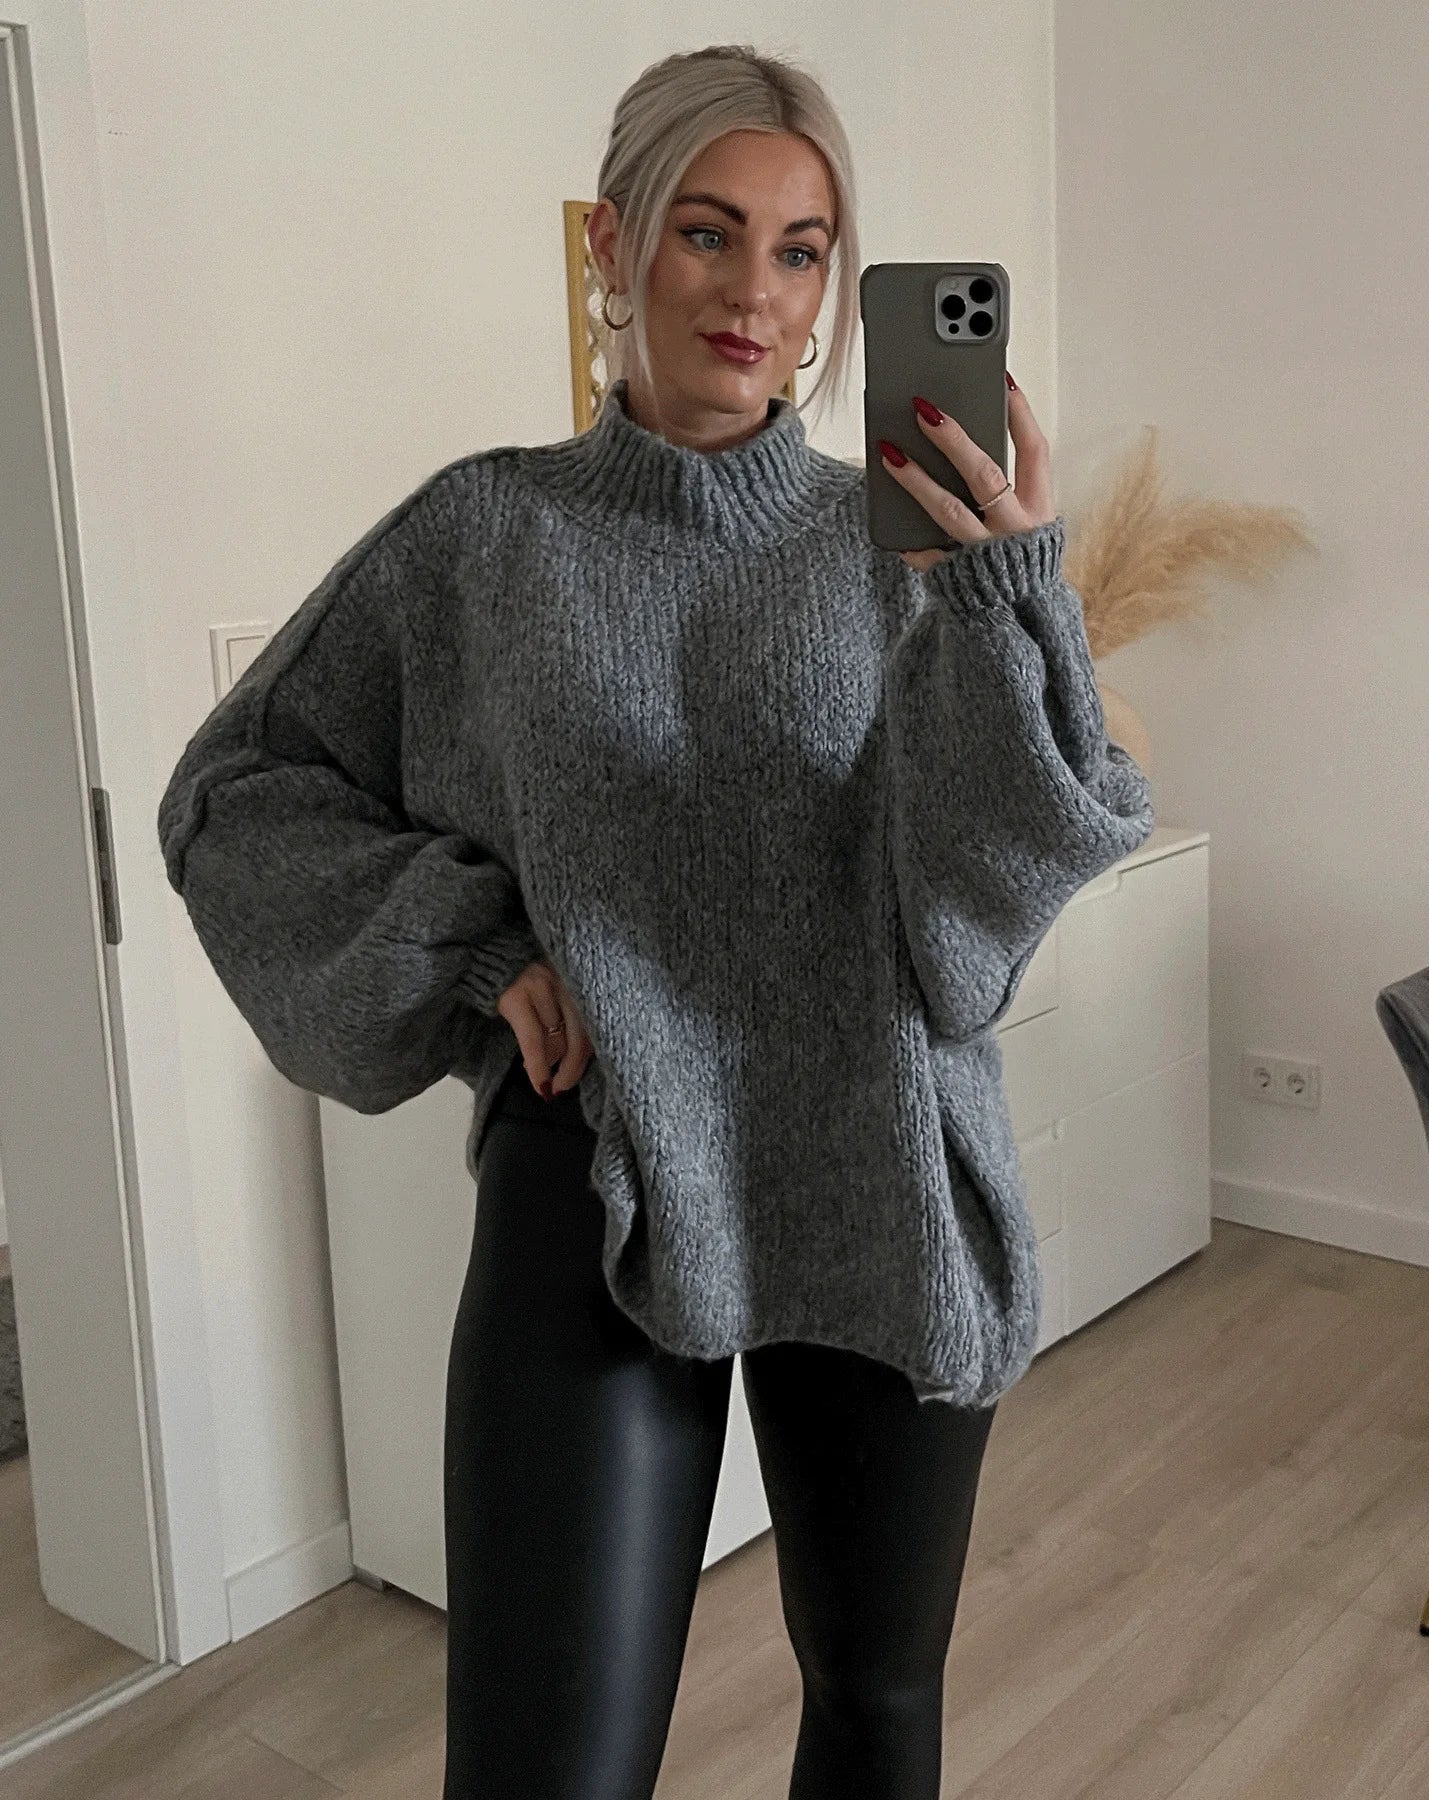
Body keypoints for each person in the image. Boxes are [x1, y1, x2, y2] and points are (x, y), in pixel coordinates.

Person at [156, 42, 1154, 1800]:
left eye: (801, 250)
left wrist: (1003, 597)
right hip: (598, 1156)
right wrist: (471, 944)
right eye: (708, 232)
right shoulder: (484, 536)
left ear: (837, 286)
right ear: (614, 245)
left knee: (876, 1712)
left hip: (879, 1147)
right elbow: (236, 792)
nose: (755, 292)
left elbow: (972, 939)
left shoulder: (903, 545)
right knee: (546, 1767)